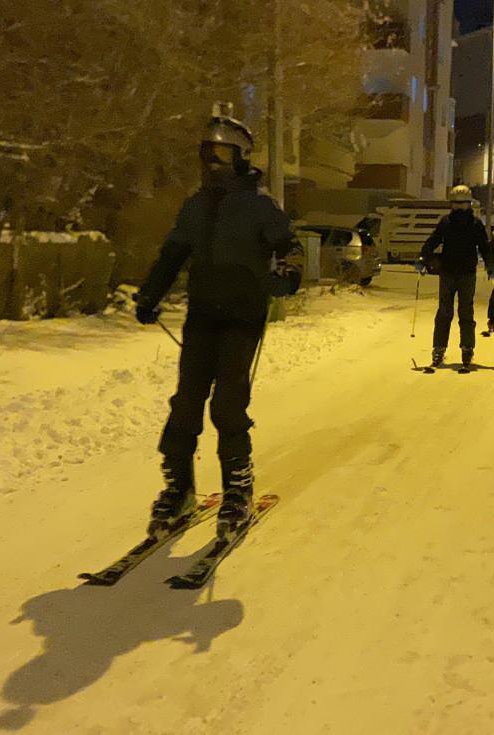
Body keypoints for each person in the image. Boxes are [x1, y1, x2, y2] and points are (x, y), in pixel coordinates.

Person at [134, 102, 302, 538]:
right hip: (203, 315)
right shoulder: (196, 206)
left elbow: (289, 247)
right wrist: (151, 294)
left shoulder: (262, 206)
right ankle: (179, 488)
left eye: (222, 155)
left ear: (242, 158)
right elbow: (173, 253)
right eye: (207, 153)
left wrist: (287, 273)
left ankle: (237, 491)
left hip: (243, 316)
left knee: (227, 405)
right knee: (185, 404)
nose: (213, 163)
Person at [419, 184, 494, 369]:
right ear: (451, 204)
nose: (460, 207)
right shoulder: (446, 222)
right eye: (456, 204)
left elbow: (484, 246)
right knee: (446, 311)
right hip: (449, 272)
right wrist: (423, 257)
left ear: (469, 204)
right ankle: (439, 348)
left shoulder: (475, 224)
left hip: (466, 273)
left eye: (463, 204)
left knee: (464, 311)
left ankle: (466, 348)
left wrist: (491, 264)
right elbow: (434, 240)